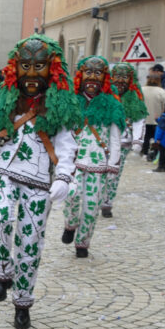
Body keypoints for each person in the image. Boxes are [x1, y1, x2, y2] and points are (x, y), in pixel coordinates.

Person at [0, 35, 81, 329]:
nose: (32, 73)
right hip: (5, 171)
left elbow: (67, 145)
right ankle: (2, 274)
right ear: (16, 67)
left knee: (30, 241)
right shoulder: (6, 99)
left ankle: (22, 302)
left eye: (39, 66)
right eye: (25, 66)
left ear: (52, 69)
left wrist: (64, 176)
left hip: (39, 181)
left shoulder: (61, 105)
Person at [61, 56, 125, 258]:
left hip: (99, 164)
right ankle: (70, 224)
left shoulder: (112, 105)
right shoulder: (71, 102)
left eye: (98, 73)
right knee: (71, 196)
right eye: (88, 72)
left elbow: (115, 137)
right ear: (81, 75)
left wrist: (113, 164)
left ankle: (82, 243)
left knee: (91, 206)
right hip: (74, 162)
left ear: (104, 77)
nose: (92, 78)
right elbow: (63, 132)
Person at [101, 63, 147, 218]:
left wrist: (137, 141)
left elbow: (139, 120)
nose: (120, 80)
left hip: (122, 143)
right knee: (99, 170)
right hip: (102, 142)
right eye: (117, 76)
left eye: (125, 77)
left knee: (114, 173)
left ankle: (107, 202)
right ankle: (95, 197)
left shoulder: (135, 99)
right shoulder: (104, 95)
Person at [141, 69, 165, 160]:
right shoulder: (161, 91)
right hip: (157, 118)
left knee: (145, 137)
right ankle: (155, 154)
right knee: (156, 138)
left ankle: (145, 153)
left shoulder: (142, 90)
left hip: (144, 118)